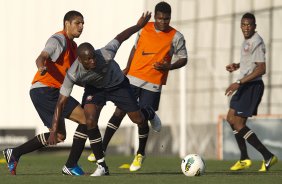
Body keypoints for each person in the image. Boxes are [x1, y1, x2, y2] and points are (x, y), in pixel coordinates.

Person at [47, 12, 159, 177]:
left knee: (137, 119)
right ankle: (101, 166)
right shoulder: (73, 73)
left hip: (118, 85)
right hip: (95, 89)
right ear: (80, 60)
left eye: (93, 57)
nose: (93, 61)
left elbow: (121, 37)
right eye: (88, 60)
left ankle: (149, 113)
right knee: (90, 120)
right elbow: (60, 103)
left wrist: (139, 26)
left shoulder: (105, 53)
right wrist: (53, 130)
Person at [87, 1, 188, 172]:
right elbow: (135, 48)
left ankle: (140, 153)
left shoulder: (176, 36)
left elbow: (184, 58)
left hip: (154, 82)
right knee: (119, 111)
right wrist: (127, 67)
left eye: (167, 19)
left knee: (141, 117)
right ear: (155, 16)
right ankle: (103, 147)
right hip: (133, 77)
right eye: (160, 18)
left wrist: (168, 67)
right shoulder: (144, 28)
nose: (163, 22)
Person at [3, 10, 88, 176]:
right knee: (86, 119)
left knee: (59, 136)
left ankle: (15, 153)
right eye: (77, 23)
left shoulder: (74, 47)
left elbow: (71, 77)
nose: (81, 26)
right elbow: (41, 57)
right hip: (45, 90)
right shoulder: (58, 39)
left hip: (51, 91)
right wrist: (41, 66)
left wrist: (93, 84)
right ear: (67, 24)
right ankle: (71, 166)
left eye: (83, 23)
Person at [225, 12, 278, 172]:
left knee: (239, 124)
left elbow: (261, 68)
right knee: (230, 118)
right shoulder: (247, 41)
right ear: (241, 26)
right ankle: (244, 158)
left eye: (249, 25)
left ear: (255, 26)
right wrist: (237, 65)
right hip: (244, 85)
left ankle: (268, 156)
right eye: (243, 24)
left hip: (252, 86)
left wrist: (239, 82)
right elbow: (251, 62)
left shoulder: (257, 41)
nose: (246, 27)